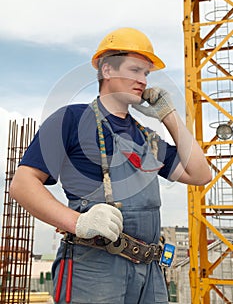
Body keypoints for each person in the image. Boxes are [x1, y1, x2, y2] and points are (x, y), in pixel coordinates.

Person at [10, 27, 211, 304]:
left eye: (146, 74)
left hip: (150, 272)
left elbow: (200, 174)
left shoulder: (147, 138)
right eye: (135, 70)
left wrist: (169, 115)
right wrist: (79, 222)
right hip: (94, 267)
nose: (142, 80)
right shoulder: (71, 119)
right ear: (107, 70)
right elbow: (22, 185)